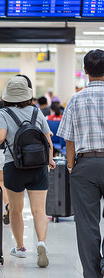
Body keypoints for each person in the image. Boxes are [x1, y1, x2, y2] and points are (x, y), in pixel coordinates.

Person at [0, 76, 55, 268]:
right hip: (38, 166)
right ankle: (41, 242)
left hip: (14, 166)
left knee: (16, 210)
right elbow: (47, 139)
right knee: (39, 210)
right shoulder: (36, 111)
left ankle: (21, 248)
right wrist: (50, 159)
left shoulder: (2, 112)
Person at [57, 49, 104, 278]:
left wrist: (71, 166)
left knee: (87, 224)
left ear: (85, 71)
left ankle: (92, 274)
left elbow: (69, 139)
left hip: (84, 166)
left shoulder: (75, 99)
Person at [0, 75, 34, 225]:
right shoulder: (32, 107)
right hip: (28, 153)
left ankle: (9, 205)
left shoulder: (0, 106)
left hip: (4, 150)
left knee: (2, 180)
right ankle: (18, 211)